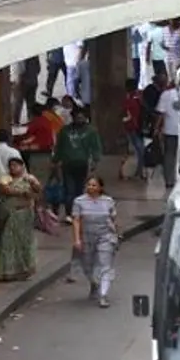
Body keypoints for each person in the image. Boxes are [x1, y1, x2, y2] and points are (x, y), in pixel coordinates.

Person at [71, 176, 119, 308]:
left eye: (94, 185)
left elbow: (113, 220)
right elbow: (76, 221)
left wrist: (116, 236)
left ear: (100, 188)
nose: (91, 187)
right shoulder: (79, 201)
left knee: (105, 265)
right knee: (87, 265)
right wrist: (77, 239)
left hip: (105, 236)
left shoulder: (108, 201)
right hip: (86, 236)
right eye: (89, 185)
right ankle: (94, 283)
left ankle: (103, 295)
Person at [51, 106, 102, 224]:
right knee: (69, 190)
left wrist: (95, 161)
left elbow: (96, 147)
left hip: (82, 164)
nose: (80, 119)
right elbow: (59, 147)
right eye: (77, 117)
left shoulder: (91, 131)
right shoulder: (64, 131)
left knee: (79, 190)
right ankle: (69, 214)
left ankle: (77, 212)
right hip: (67, 164)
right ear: (72, 117)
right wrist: (55, 161)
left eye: (82, 117)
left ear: (86, 118)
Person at [0, 157, 41, 282]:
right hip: (11, 214)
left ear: (22, 166)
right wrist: (21, 193)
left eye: (16, 165)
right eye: (11, 166)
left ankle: (24, 270)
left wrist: (32, 185)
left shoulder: (29, 178)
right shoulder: (5, 178)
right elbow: (3, 188)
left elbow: (38, 190)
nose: (13, 168)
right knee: (9, 243)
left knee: (24, 243)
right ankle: (8, 271)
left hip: (25, 215)